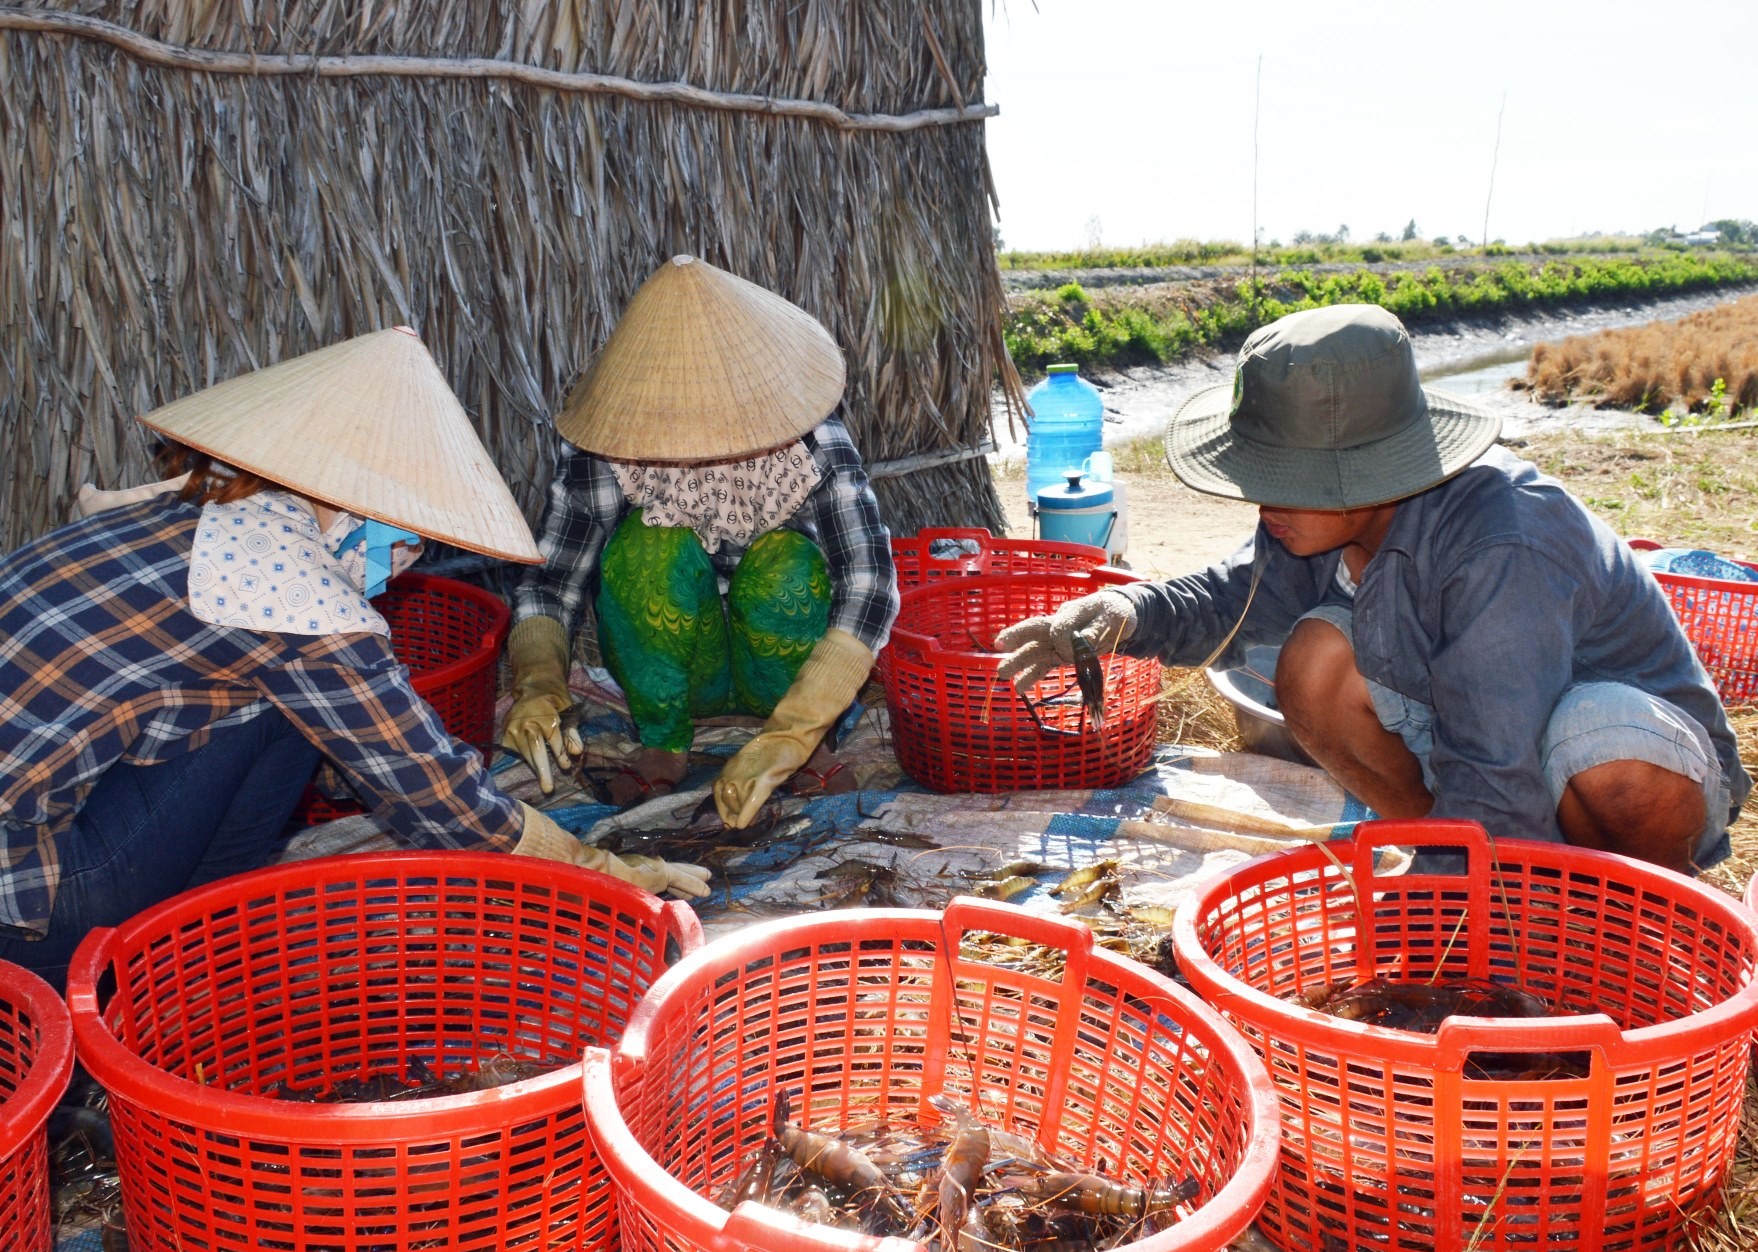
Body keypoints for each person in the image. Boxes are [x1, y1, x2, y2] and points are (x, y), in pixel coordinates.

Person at [0, 327, 708, 990]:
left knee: (283, 715)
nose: (401, 561)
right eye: (399, 532)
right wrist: (597, 863)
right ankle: (151, 967)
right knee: (291, 719)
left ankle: (172, 949)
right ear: (337, 497)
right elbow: (441, 803)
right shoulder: (287, 595)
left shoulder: (206, 523)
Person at [996, 304, 1749, 873]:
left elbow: (1496, 773)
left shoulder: (1500, 543)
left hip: (1632, 768)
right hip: (1491, 749)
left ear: (1368, 472)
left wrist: (1434, 939)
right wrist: (1125, 610)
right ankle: (1470, 876)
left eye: (1284, 482)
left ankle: (1620, 912)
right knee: (1314, 658)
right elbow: (1231, 601)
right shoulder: (1319, 521)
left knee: (1592, 734)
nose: (1266, 502)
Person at [501, 255, 898, 826]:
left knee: (789, 563)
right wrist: (538, 681)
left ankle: (810, 743)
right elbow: (552, 581)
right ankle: (664, 739)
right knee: (646, 546)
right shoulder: (606, 444)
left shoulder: (812, 437)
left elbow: (869, 583)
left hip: (789, 658)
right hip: (678, 667)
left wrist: (795, 730)